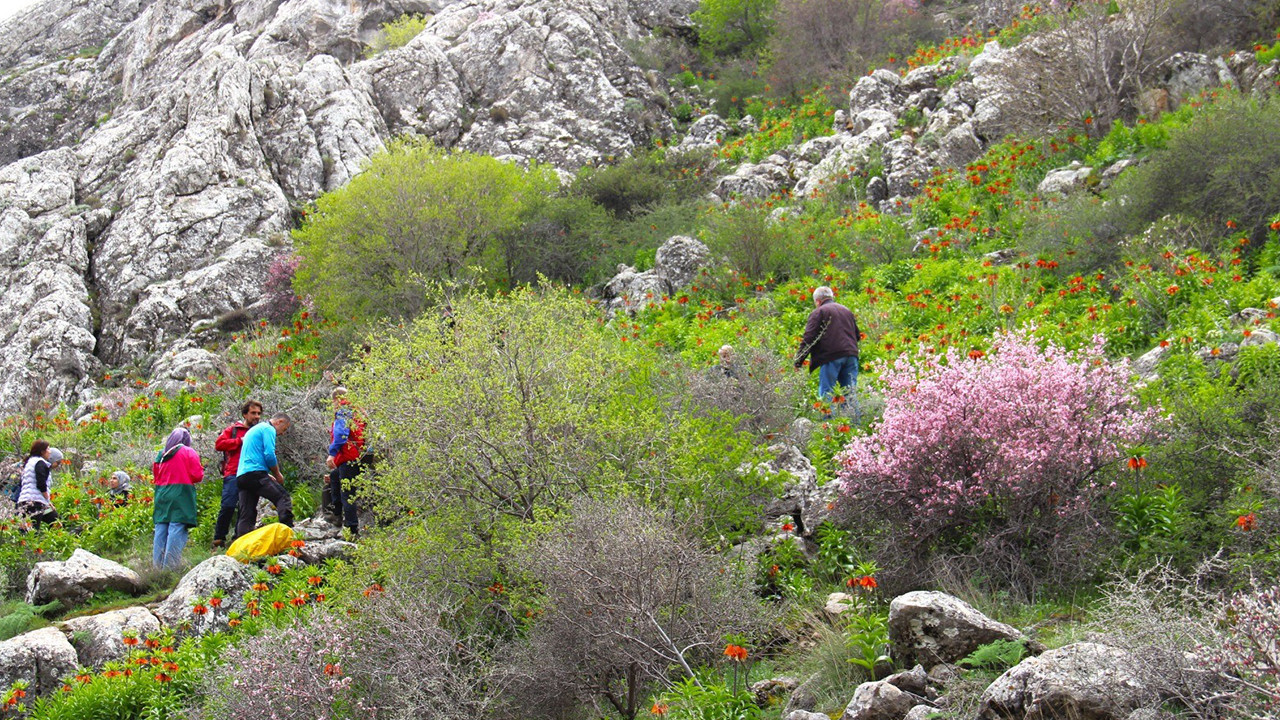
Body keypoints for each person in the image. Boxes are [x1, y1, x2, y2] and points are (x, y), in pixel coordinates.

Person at [794, 286, 861, 419]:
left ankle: (829, 428)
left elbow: (809, 338)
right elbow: (857, 335)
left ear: (817, 301)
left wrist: (798, 361)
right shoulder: (846, 311)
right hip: (851, 355)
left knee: (827, 393)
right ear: (831, 297)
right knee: (850, 393)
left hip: (831, 357)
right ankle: (855, 429)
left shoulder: (819, 312)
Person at [212, 400, 263, 548]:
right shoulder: (234, 430)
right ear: (245, 414)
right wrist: (239, 441)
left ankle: (238, 539)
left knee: (246, 508)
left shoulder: (259, 431)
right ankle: (219, 539)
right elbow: (219, 444)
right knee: (228, 505)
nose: (256, 416)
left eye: (259, 413)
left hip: (251, 473)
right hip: (233, 473)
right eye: (253, 413)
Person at [235, 412, 294, 537]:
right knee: (282, 497)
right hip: (255, 474)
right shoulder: (268, 429)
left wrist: (265, 473)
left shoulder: (254, 429)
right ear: (279, 422)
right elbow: (269, 454)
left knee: (247, 513)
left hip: (242, 476)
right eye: (284, 429)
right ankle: (287, 534)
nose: (283, 433)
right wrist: (277, 474)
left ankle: (242, 547)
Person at [152, 427, 204, 568]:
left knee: (161, 529)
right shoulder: (188, 452)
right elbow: (197, 476)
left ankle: (157, 568)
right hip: (181, 493)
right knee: (177, 527)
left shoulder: (161, 454)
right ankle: (170, 568)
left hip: (161, 494)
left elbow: (156, 476)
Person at [326, 388, 365, 539]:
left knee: (347, 493)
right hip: (358, 457)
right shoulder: (357, 412)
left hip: (349, 457)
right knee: (334, 476)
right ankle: (336, 513)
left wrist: (332, 454)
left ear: (335, 399)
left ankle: (351, 528)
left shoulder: (343, 411)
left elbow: (341, 434)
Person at [17, 441, 62, 529]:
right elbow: (41, 483)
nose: (50, 451)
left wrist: (48, 503)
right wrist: (47, 497)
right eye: (48, 449)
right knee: (32, 530)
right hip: (34, 502)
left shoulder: (30, 462)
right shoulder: (39, 462)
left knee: (55, 521)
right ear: (42, 452)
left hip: (27, 500)